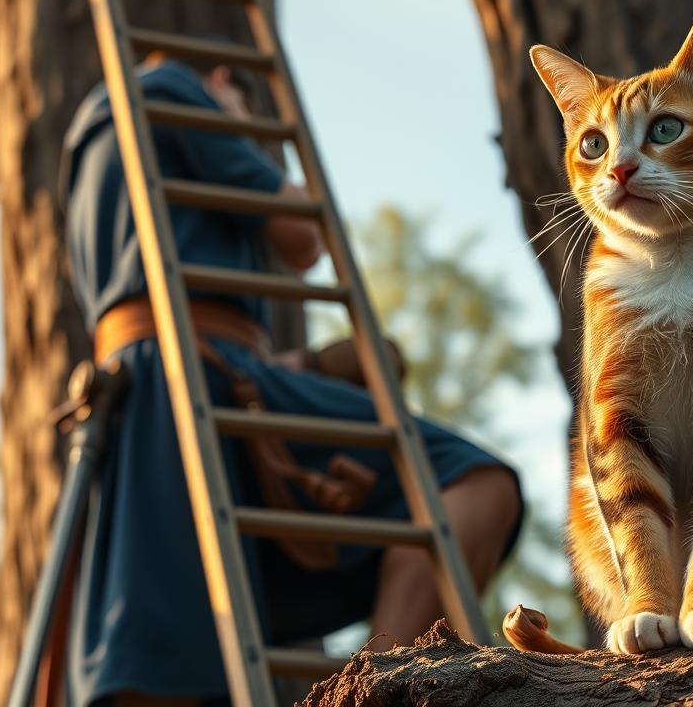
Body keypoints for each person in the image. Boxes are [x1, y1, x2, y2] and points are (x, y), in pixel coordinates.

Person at [59, 53, 523, 707]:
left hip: (156, 398)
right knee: (471, 483)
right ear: (223, 82)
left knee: (170, 657)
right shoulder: (173, 89)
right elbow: (302, 236)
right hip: (194, 385)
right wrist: (252, 143)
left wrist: (301, 370)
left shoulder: (88, 144)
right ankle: (373, 693)